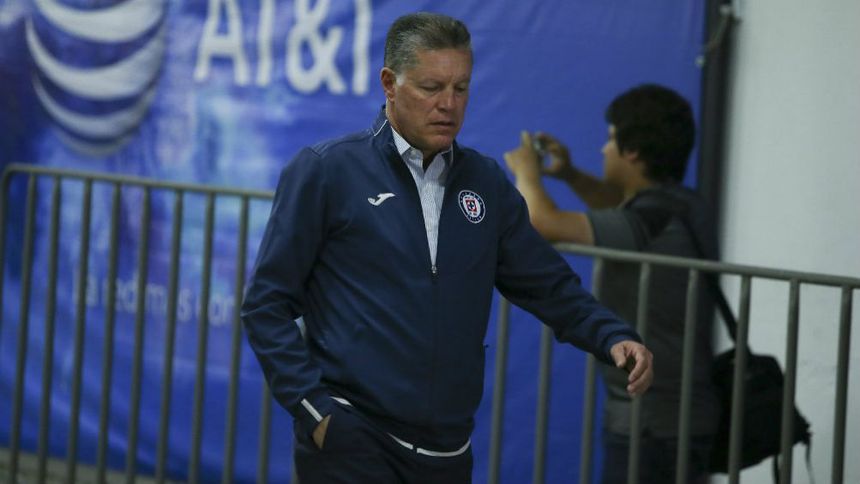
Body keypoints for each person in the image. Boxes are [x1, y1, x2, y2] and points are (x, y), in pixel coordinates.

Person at [241, 12, 653, 483]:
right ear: (389, 84)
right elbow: (266, 304)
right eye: (431, 87)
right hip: (352, 440)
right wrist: (317, 412)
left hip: (448, 450)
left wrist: (610, 335)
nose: (448, 105)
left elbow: (547, 283)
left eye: (461, 88)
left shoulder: (486, 182)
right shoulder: (327, 170)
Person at [504, 84, 720, 484]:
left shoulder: (654, 219)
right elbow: (616, 210)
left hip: (653, 422)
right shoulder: (678, 206)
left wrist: (526, 172)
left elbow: (541, 222)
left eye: (610, 139)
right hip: (676, 416)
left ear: (632, 150)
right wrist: (569, 174)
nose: (604, 149)